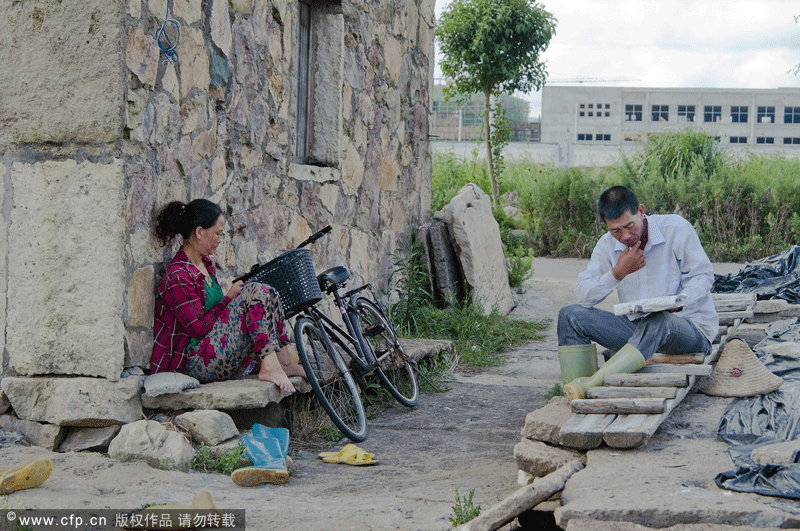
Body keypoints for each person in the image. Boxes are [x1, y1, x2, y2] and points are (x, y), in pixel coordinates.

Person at [557, 186, 719, 401]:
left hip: (687, 330)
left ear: (641, 211)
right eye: (615, 230)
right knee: (570, 315)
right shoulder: (606, 245)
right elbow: (583, 296)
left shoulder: (676, 229)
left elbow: (703, 276)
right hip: (638, 332)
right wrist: (617, 273)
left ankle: (591, 385)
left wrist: (681, 301)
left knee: (661, 320)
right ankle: (575, 391)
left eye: (629, 226)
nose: (624, 236)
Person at [150, 199, 305, 393]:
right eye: (217, 233)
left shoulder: (206, 265)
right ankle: (269, 366)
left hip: (215, 353)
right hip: (193, 364)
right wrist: (229, 298)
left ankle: (285, 363)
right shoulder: (178, 276)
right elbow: (199, 330)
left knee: (268, 291)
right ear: (199, 232)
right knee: (255, 291)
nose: (219, 239)